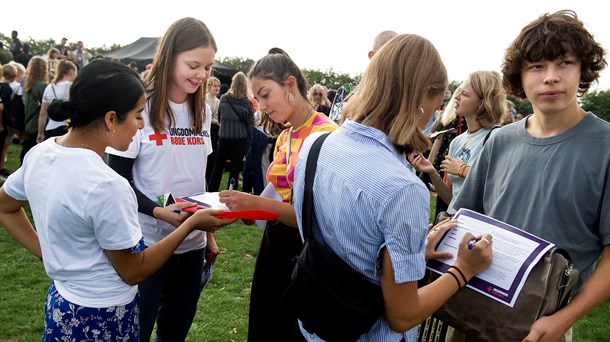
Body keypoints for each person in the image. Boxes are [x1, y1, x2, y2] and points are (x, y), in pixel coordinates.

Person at [0, 59, 235, 341]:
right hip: (103, 314)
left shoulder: (41, 153)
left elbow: (5, 206)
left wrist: (44, 251)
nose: (140, 125)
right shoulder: (108, 185)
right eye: (137, 115)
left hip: (62, 304)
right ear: (111, 119)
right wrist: (191, 224)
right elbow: (134, 270)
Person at [291, 34, 493, 341]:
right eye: (436, 106)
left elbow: (340, 242)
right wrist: (464, 269)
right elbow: (403, 315)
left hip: (315, 321)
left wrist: (411, 254)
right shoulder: (404, 189)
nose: (433, 116)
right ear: (421, 96)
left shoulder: (315, 144)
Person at [452, 10, 609, 342]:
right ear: (519, 77)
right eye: (537, 66)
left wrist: (563, 320)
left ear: (582, 69)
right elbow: (462, 218)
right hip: (472, 309)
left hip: (541, 325)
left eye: (564, 63)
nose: (550, 77)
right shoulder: (500, 140)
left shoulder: (606, 146)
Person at [106, 17, 219, 341]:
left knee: (175, 332)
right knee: (137, 332)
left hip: (192, 245)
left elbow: (197, 176)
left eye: (208, 67)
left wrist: (206, 234)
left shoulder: (204, 110)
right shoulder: (141, 104)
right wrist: (159, 211)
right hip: (146, 244)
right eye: (194, 65)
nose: (201, 75)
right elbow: (118, 179)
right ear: (170, 56)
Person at [218, 47, 338, 341]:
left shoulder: (326, 135)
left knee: (289, 331)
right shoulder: (284, 135)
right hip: (275, 244)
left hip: (306, 253)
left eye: (264, 94)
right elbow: (279, 196)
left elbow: (316, 217)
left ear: (290, 85)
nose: (261, 106)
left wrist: (256, 202)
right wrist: (252, 211)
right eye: (256, 99)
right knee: (265, 323)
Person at [411, 70, 504, 215]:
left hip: (477, 228)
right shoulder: (456, 142)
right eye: (458, 92)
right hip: (455, 221)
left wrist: (463, 170)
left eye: (465, 94)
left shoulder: (497, 137)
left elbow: (500, 187)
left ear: (482, 102)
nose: (456, 97)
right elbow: (451, 199)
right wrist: (432, 172)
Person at [329, 30, 397, 122]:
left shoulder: (408, 94)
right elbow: (336, 128)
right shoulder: (347, 91)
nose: (395, 57)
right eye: (388, 51)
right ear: (372, 56)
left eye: (399, 52)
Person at [208, 71, 254, 192]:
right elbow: (250, 124)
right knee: (235, 168)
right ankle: (230, 193)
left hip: (224, 137)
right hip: (240, 139)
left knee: (218, 166)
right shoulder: (247, 103)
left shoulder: (224, 98)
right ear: (245, 85)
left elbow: (219, 118)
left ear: (233, 83)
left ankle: (211, 191)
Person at [37, 60, 77, 142]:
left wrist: (40, 133)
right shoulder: (72, 86)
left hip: (50, 129)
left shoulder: (49, 88)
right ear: (71, 72)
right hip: (66, 128)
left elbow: (43, 114)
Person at [21, 56, 48, 164]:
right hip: (37, 121)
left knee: (27, 148)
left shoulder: (26, 84)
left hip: (27, 120)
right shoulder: (42, 86)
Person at [205, 76, 221, 186]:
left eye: (218, 86)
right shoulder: (204, 98)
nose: (217, 88)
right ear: (209, 86)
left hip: (214, 131)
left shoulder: (218, 101)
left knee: (212, 156)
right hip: (206, 129)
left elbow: (217, 118)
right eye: (215, 86)